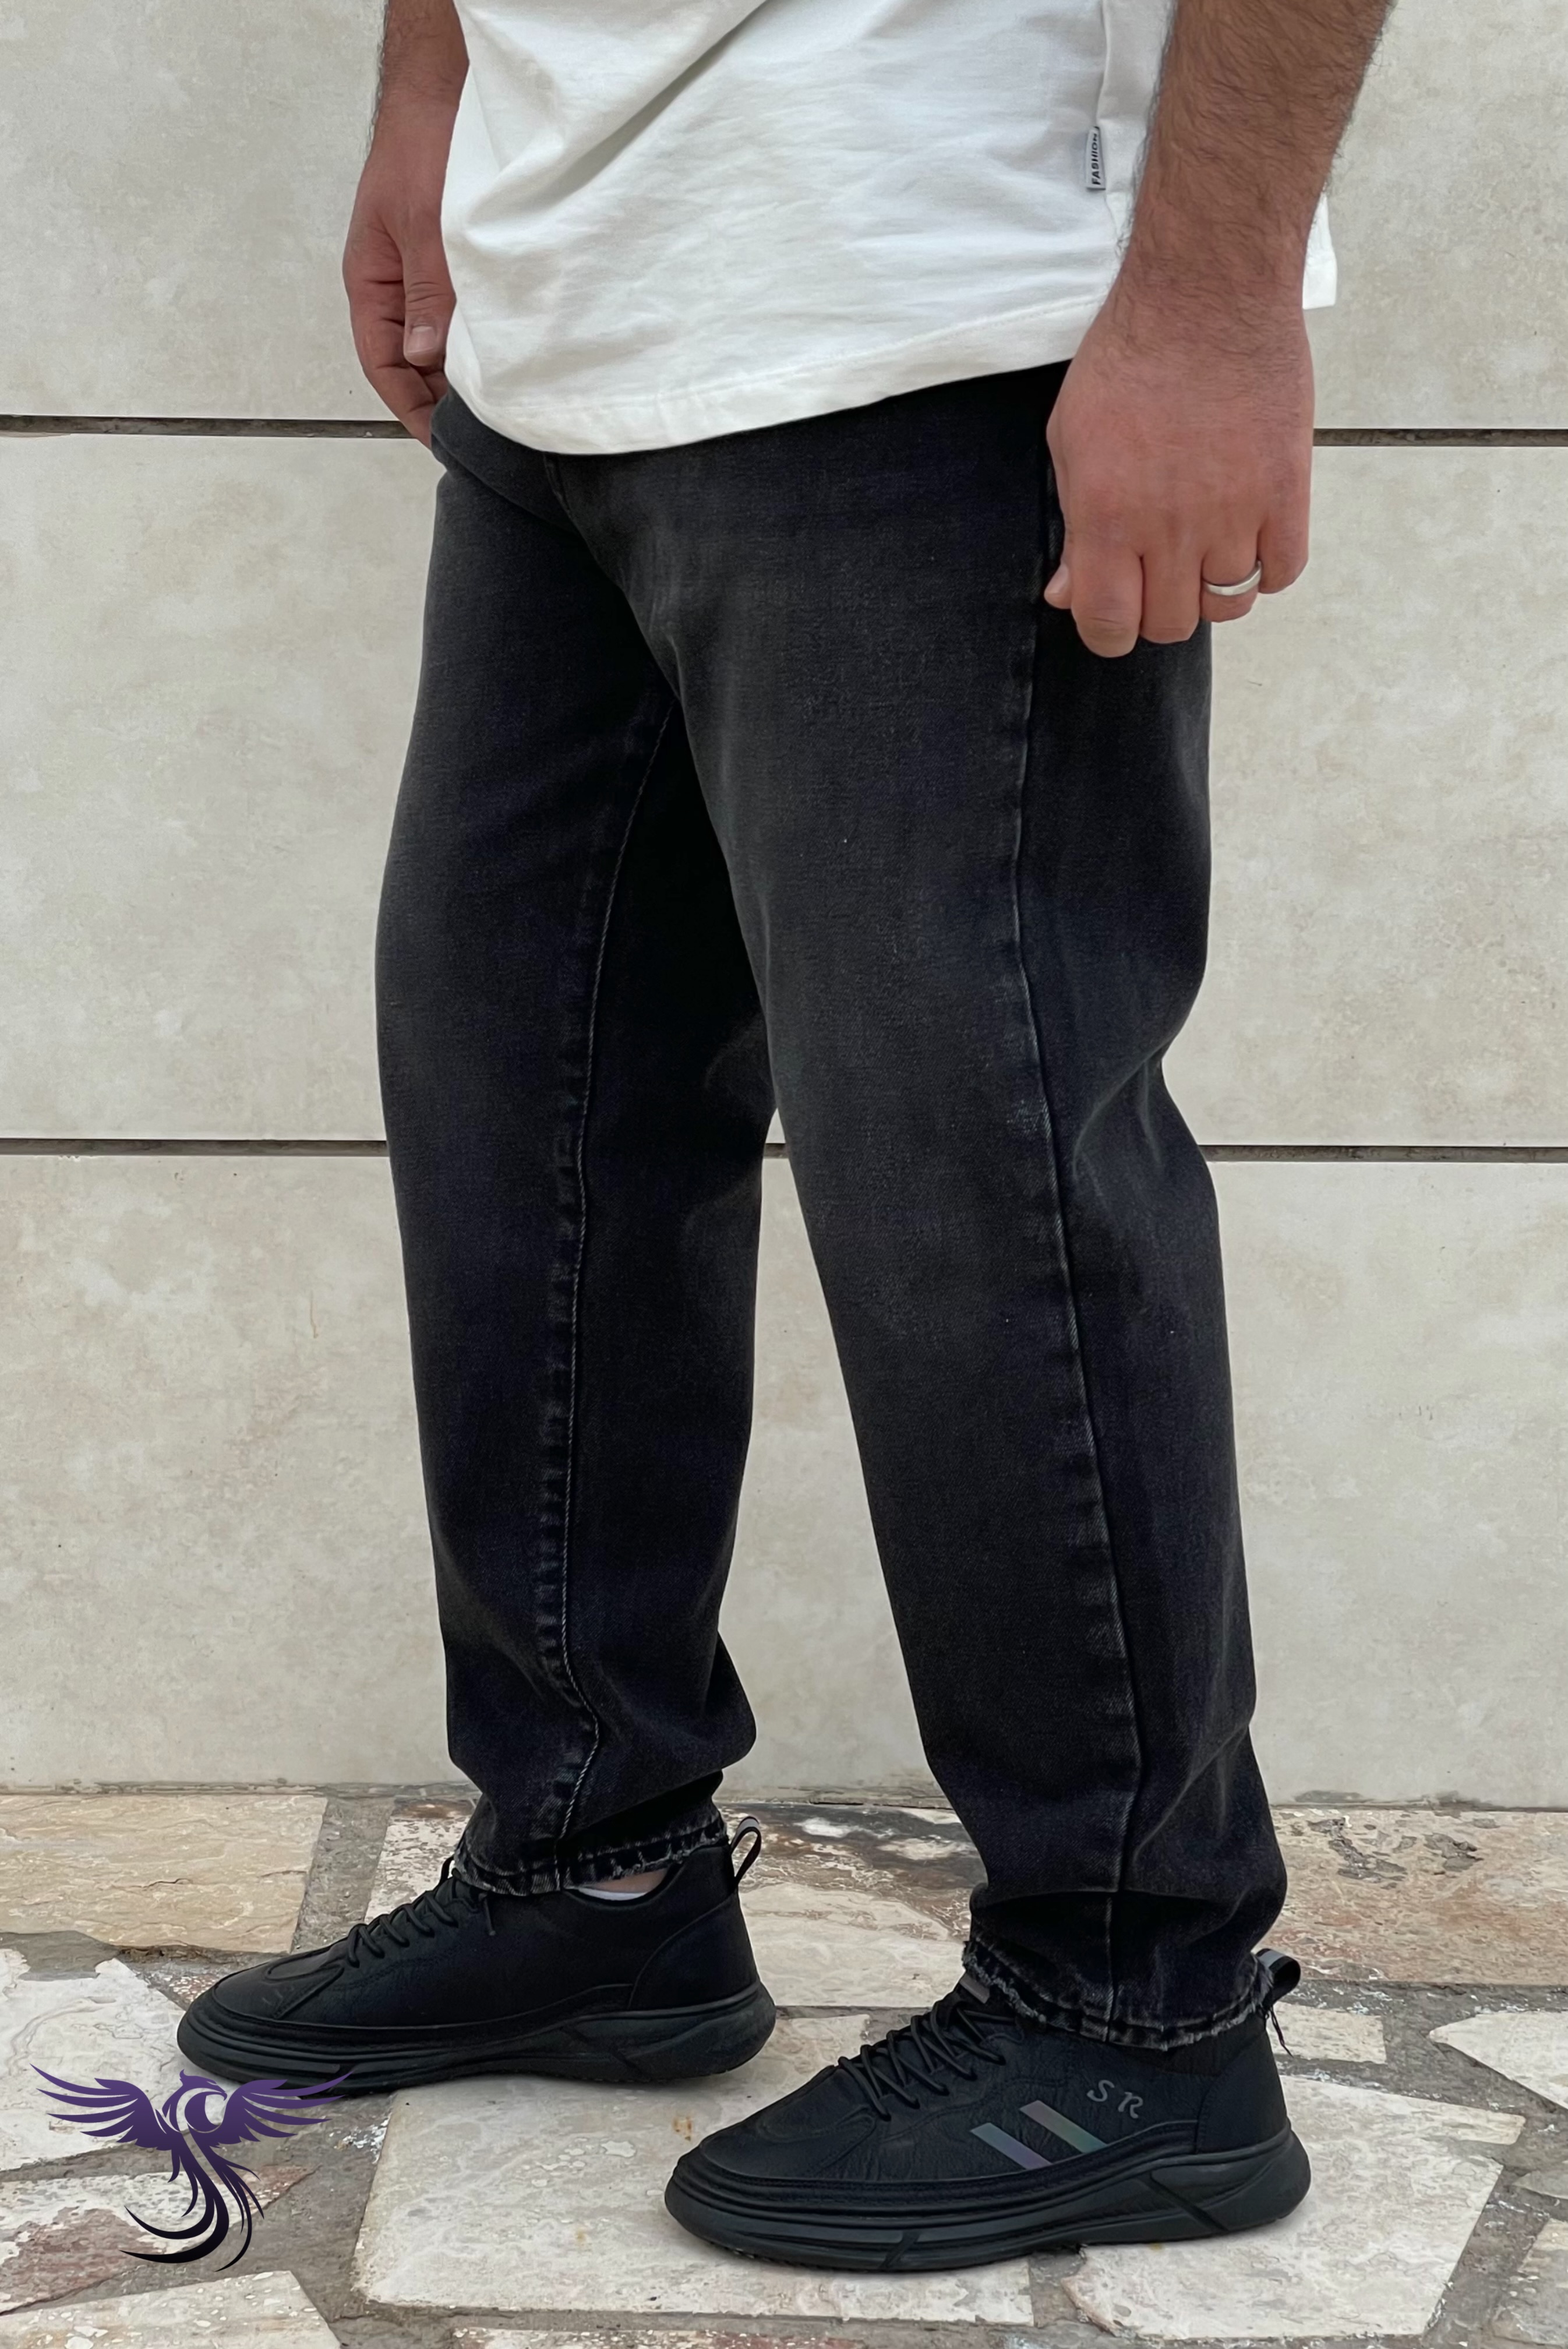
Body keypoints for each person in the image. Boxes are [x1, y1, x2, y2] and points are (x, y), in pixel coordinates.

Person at [181, 0, 1390, 2269]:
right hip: (569, 293)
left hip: (938, 291)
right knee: (522, 1102)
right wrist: (433, 80)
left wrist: (1212, 298)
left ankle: (1134, 1999)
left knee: (974, 1167)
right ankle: (594, 1864)